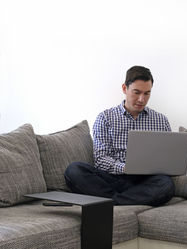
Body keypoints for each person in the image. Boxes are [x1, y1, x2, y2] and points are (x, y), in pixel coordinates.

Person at [64, 66, 175, 206]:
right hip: (112, 178)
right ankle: (126, 200)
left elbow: (167, 160)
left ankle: (110, 202)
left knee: (166, 184)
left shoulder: (161, 121)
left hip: (145, 182)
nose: (142, 99)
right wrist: (124, 168)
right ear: (124, 88)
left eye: (147, 93)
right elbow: (100, 160)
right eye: (137, 92)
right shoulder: (105, 118)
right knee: (74, 170)